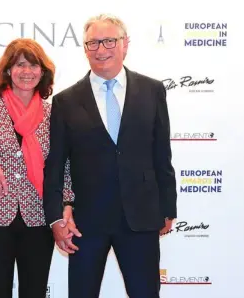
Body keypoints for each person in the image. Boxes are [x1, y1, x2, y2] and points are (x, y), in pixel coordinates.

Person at [43, 14, 177, 298]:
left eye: (109, 41)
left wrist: (168, 207)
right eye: (93, 43)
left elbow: (161, 153)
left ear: (125, 44)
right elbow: (55, 164)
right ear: (85, 48)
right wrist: (56, 218)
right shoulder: (65, 101)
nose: (101, 49)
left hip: (141, 216)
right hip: (86, 223)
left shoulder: (152, 90)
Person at [0, 38, 74, 298]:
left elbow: (63, 165)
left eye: (34, 66)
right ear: (8, 70)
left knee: (34, 292)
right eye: (20, 64)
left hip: (39, 217)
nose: (27, 71)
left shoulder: (52, 113)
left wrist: (67, 203)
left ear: (42, 72)